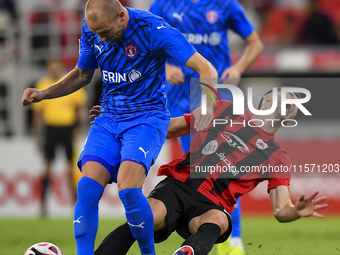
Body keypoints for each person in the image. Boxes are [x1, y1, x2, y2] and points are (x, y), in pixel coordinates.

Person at [21, 1, 217, 255]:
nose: (100, 38)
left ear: (122, 16)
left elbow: (206, 68)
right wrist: (44, 93)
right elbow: (83, 75)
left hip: (146, 118)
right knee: (87, 187)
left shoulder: (154, 29)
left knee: (128, 188)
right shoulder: (93, 28)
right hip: (109, 117)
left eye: (104, 32)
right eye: (96, 33)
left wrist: (207, 105)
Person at [91, 87, 328, 255]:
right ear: (266, 98)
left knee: (218, 220)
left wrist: (295, 211)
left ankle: (186, 252)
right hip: (181, 185)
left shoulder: (279, 158)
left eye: (295, 104)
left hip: (213, 204)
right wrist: (119, 121)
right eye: (286, 97)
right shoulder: (224, 110)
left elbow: (281, 209)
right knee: (146, 218)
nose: (291, 104)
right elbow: (170, 129)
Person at [149, 1, 264, 254]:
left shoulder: (225, 5)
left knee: (226, 171)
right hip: (180, 104)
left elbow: (255, 43)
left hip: (217, 99)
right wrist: (166, 67)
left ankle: (233, 241)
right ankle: (202, 233)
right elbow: (145, 42)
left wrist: (239, 67)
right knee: (194, 173)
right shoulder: (163, 5)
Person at [32, 58, 87, 217]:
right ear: (49, 68)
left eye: (56, 66)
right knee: (47, 168)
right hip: (51, 129)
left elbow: (80, 108)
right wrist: (37, 135)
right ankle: (43, 205)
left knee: (71, 168)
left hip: (67, 129)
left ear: (60, 67)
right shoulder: (43, 84)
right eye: (51, 66)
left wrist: (78, 128)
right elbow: (38, 113)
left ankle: (75, 205)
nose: (54, 69)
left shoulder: (68, 82)